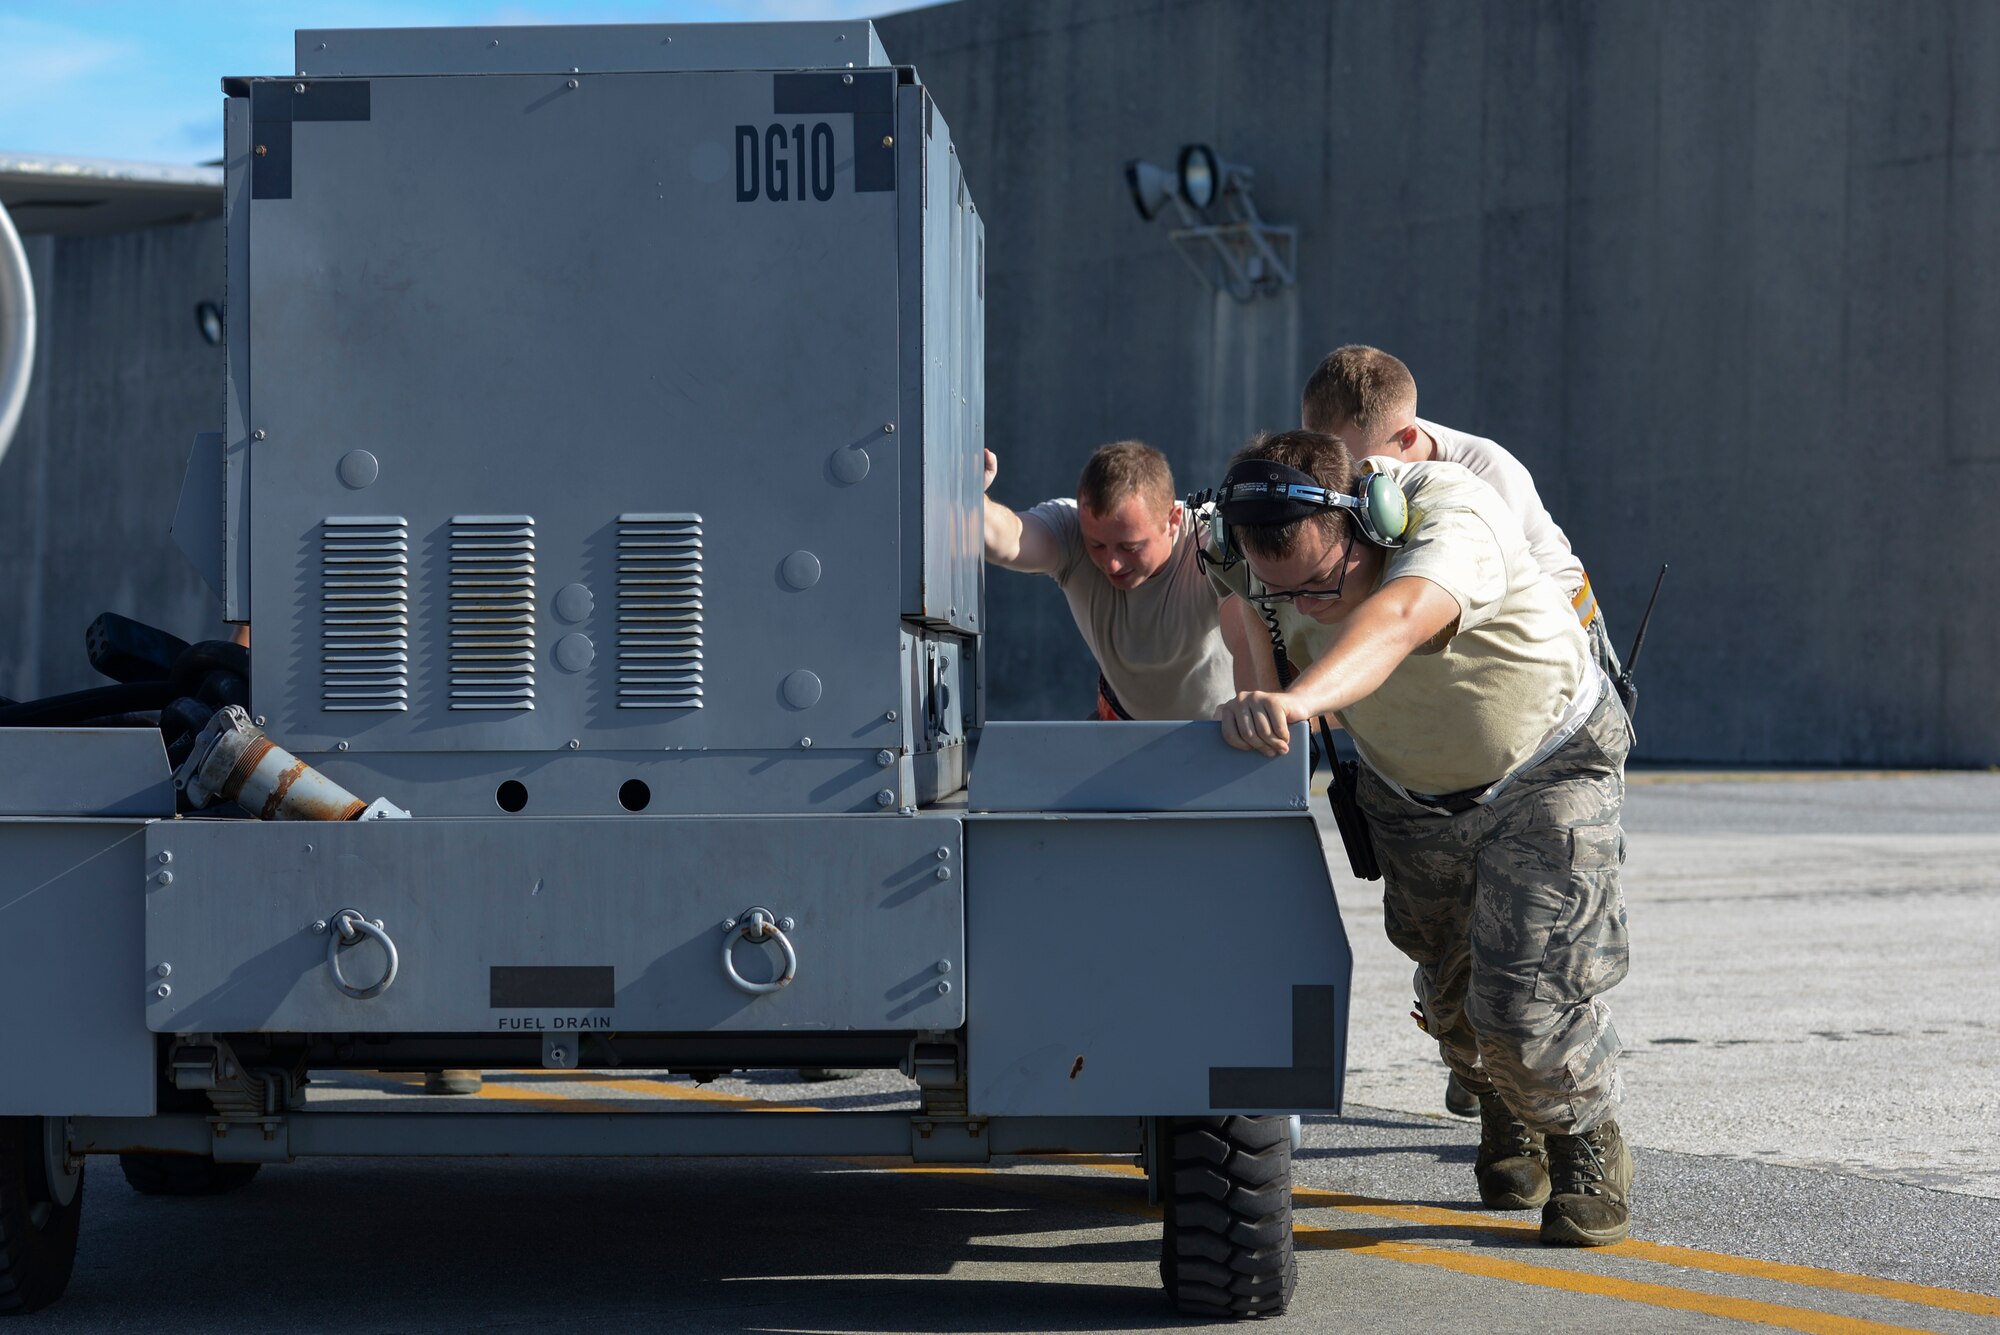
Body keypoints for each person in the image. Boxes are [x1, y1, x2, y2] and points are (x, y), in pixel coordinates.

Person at [1210, 429, 1635, 1247]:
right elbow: (1248, 642)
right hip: (1407, 793)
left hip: (1548, 767)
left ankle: (1586, 1136)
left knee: (1520, 1002)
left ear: (1370, 521)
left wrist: (1298, 705)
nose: (1305, 605)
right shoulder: (1248, 558)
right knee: (1452, 1008)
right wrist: (1260, 695)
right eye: (1282, 590)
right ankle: (1505, 1104)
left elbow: (1399, 619)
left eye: (1320, 583)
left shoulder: (1448, 513)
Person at [1298, 346, 1626, 706]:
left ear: (1407, 437)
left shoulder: (1486, 475)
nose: (1339, 482)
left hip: (1561, 628)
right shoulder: (1374, 441)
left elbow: (1483, 602)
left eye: (1357, 465)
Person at [983, 440, 1232, 721]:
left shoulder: (1216, 535)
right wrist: (971, 496)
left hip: (1223, 735)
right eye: (1097, 545)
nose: (1112, 563)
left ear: (1173, 520)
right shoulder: (1070, 530)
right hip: (1120, 729)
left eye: (1130, 547)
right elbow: (1004, 538)